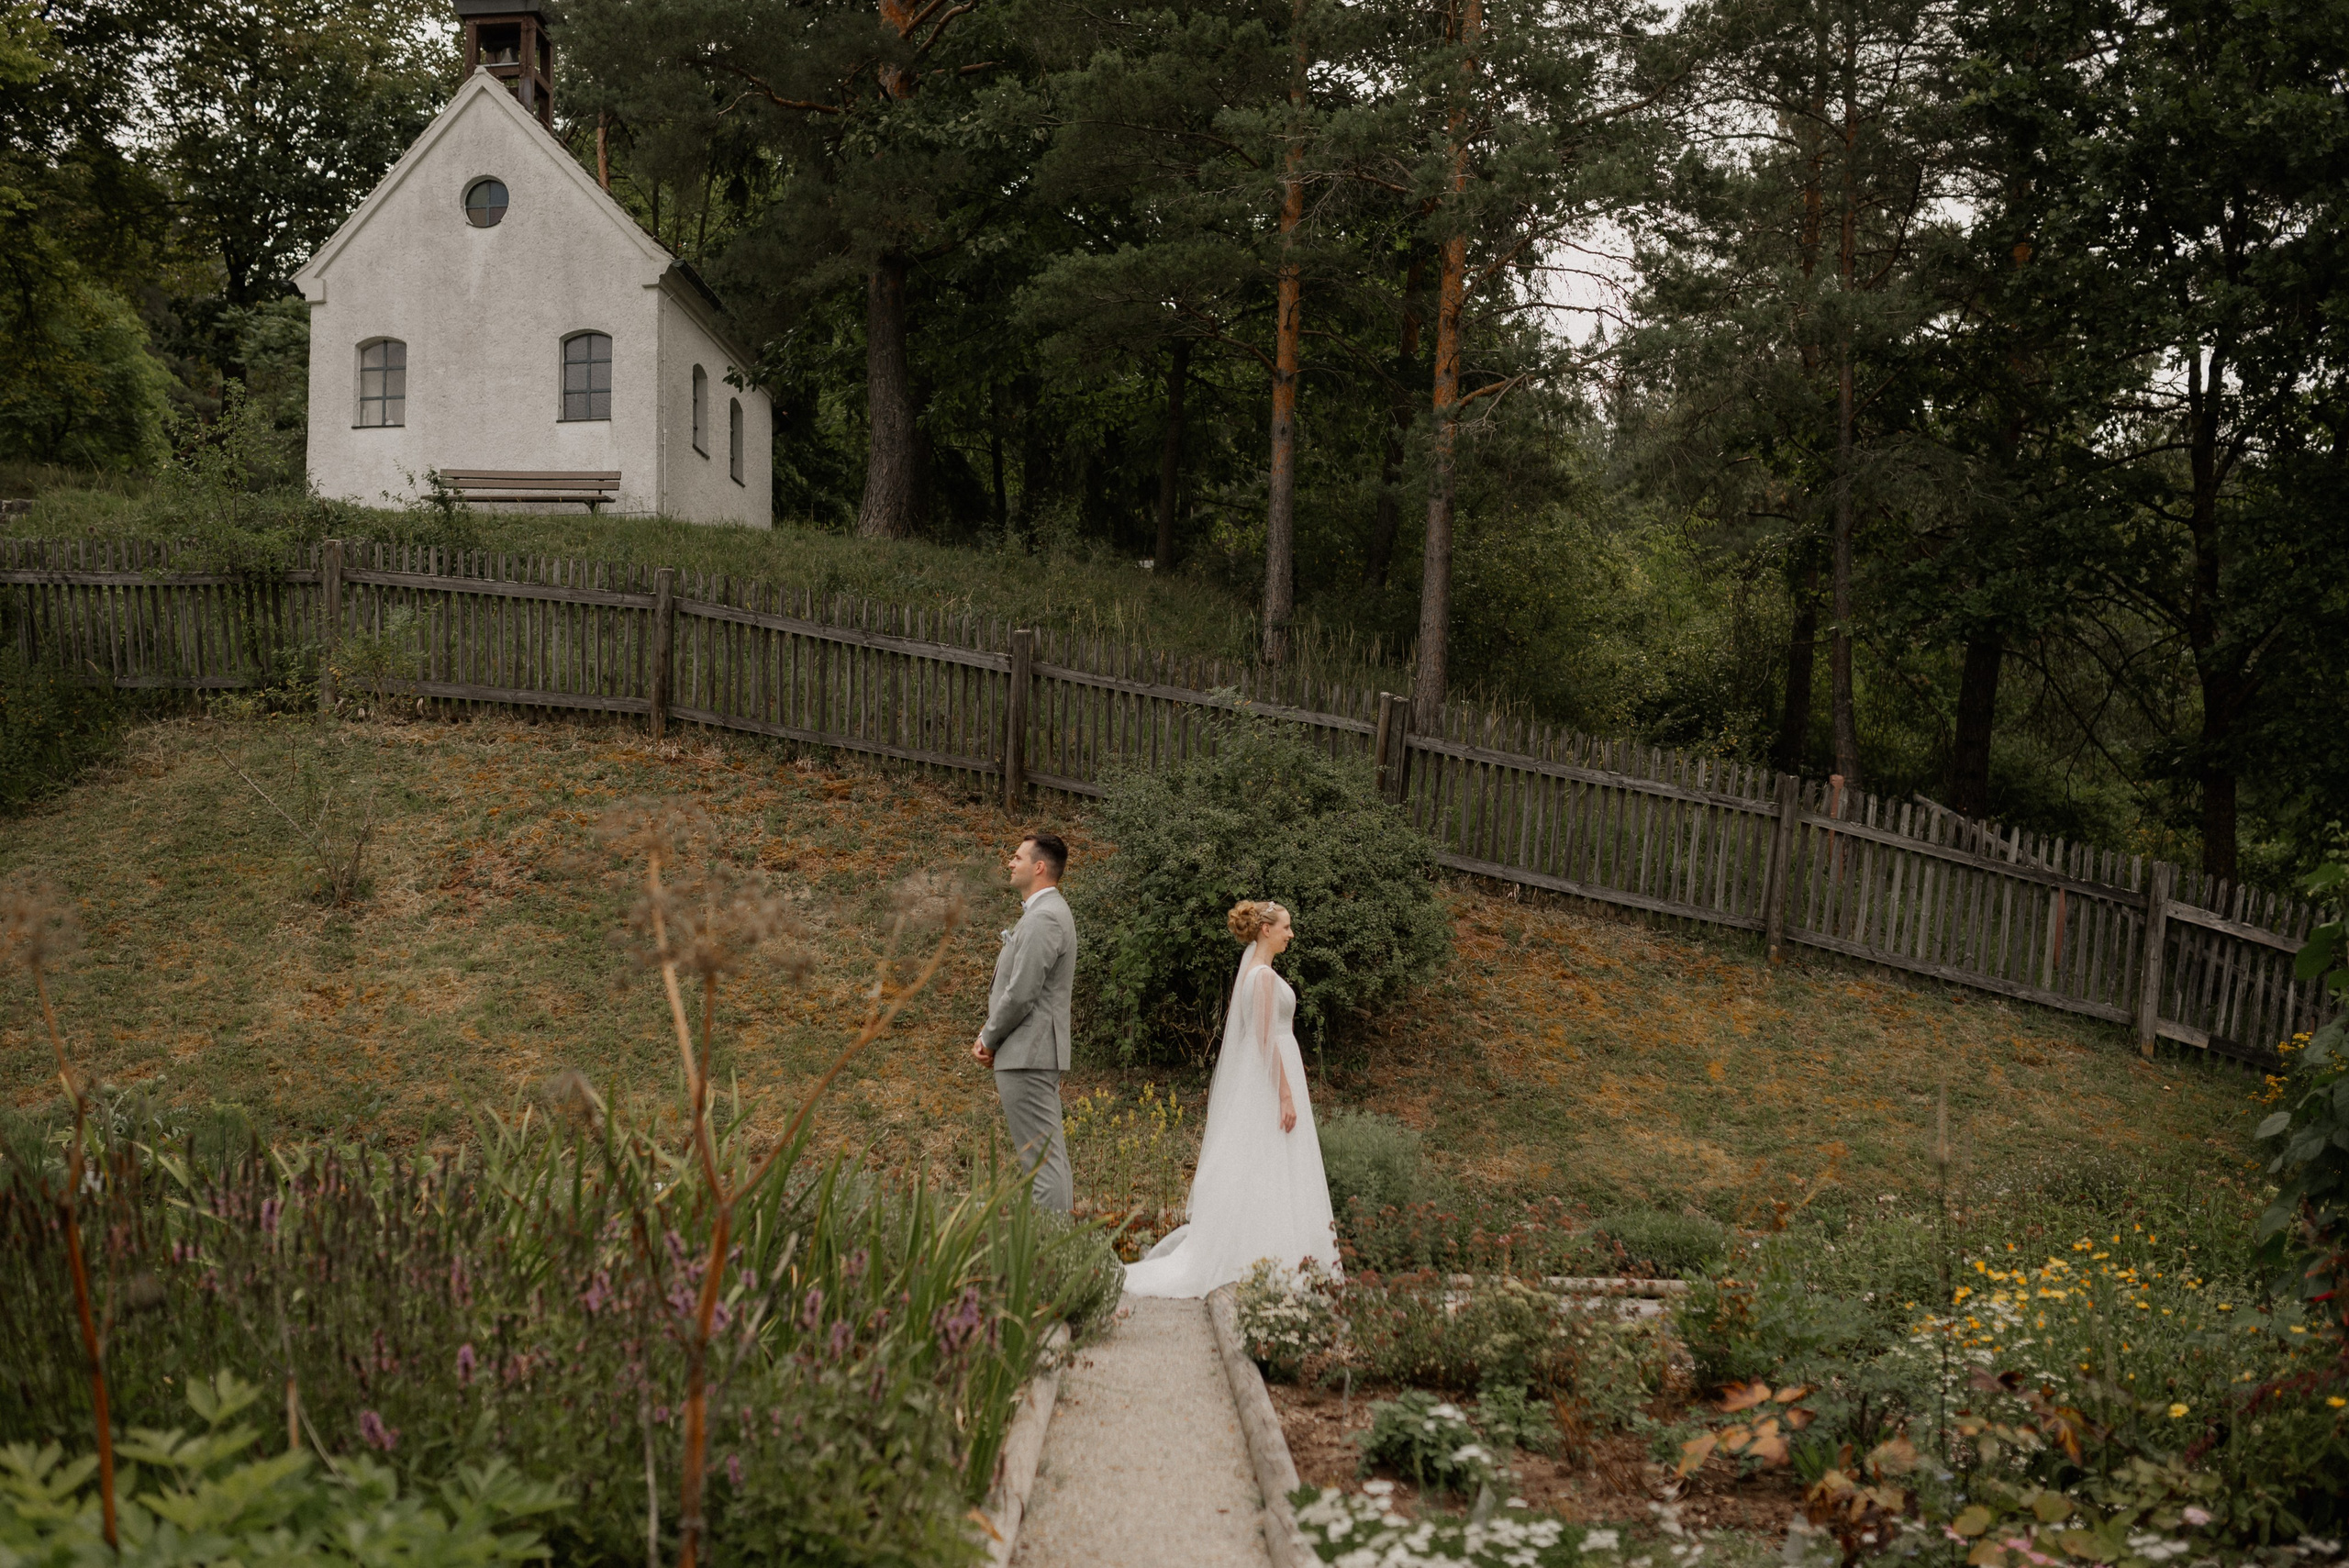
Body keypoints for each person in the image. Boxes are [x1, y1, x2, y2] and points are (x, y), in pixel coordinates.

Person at [1121, 899, 1339, 1298]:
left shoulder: (1256, 973)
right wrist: (1286, 1095)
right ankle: (1272, 1258)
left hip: (1269, 1077)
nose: (1291, 934)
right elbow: (1263, 1038)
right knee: (1272, 1162)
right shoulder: (1261, 978)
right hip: (1272, 1080)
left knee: (1266, 1164)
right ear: (1265, 930)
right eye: (1286, 927)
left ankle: (1275, 1254)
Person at [972, 832, 1076, 1213]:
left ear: (1039, 867)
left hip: (1026, 1054)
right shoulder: (1046, 913)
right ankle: (1062, 1255)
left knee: (1042, 1165)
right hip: (1031, 1053)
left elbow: (1021, 993)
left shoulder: (1045, 916)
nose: (1010, 863)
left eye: (1017, 857)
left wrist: (989, 1037)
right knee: (1051, 1161)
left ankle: (1048, 1262)